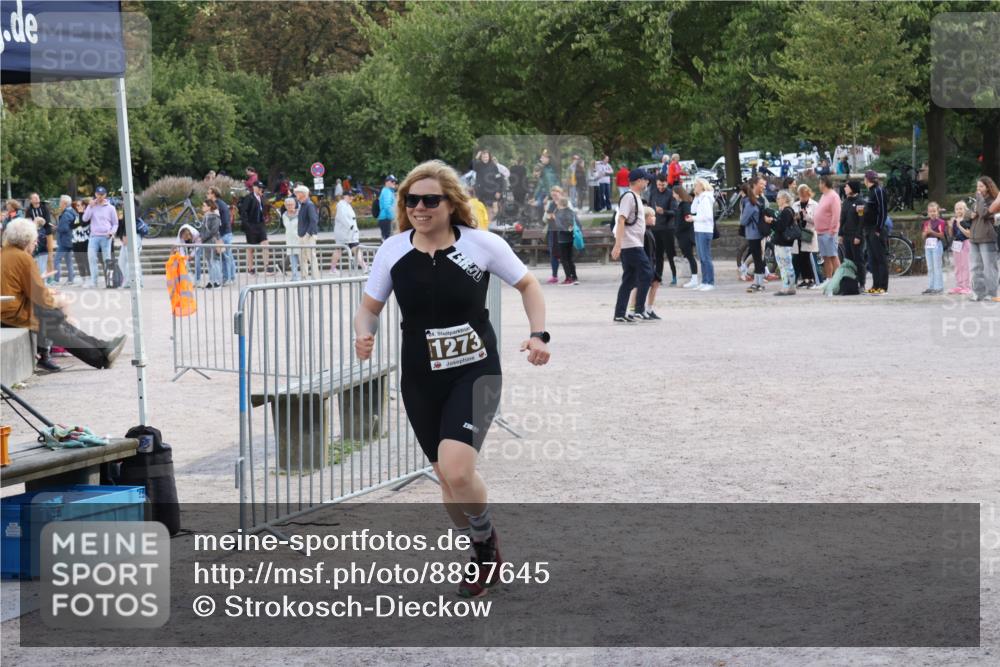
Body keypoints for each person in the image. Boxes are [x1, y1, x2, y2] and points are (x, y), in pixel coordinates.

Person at [354, 159, 549, 599]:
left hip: (476, 371)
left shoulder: (481, 244)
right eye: (412, 200)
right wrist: (363, 334)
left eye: (430, 200)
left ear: (450, 203)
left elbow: (529, 285)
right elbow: (369, 308)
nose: (420, 207)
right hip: (421, 380)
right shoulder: (394, 250)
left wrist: (538, 334)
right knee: (446, 479)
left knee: (460, 471)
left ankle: (485, 546)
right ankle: (480, 542)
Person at [1, 218, 126, 372]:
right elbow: (39, 295)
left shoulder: (6, 254)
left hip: (10, 310)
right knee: (55, 322)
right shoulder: (22, 258)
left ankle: (103, 348)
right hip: (12, 314)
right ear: (26, 240)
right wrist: (56, 300)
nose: (36, 244)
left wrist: (49, 297)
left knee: (56, 320)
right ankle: (100, 357)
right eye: (34, 240)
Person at [612, 169, 655, 322]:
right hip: (630, 244)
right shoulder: (629, 197)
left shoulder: (636, 197)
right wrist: (618, 245)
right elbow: (621, 220)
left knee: (630, 279)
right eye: (645, 179)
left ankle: (620, 313)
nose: (647, 182)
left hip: (634, 244)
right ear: (638, 181)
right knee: (647, 273)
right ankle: (638, 310)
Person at [969, 176, 1000, 302]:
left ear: (988, 187)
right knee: (976, 267)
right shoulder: (978, 200)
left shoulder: (993, 200)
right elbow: (968, 213)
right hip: (974, 237)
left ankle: (991, 293)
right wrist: (970, 213)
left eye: (981, 186)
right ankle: (978, 293)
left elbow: (983, 213)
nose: (978, 189)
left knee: (989, 267)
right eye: (977, 186)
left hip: (987, 237)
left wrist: (979, 200)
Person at [82, 186, 118, 288]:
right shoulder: (92, 206)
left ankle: (109, 281)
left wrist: (112, 232)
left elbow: (115, 223)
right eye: (98, 194)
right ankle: (94, 281)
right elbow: (85, 219)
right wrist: (90, 207)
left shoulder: (111, 208)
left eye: (102, 195)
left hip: (106, 237)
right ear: (95, 194)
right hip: (94, 237)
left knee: (107, 259)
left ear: (105, 195)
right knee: (92, 258)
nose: (100, 197)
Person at [740, 178, 771, 293]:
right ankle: (759, 283)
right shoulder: (759, 200)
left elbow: (743, 221)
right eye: (762, 184)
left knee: (757, 258)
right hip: (759, 233)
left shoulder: (749, 202)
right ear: (754, 185)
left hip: (753, 233)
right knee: (758, 258)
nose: (763, 186)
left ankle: (758, 283)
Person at [861, 170, 889, 294]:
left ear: (867, 179)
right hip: (868, 229)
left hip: (876, 229)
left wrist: (879, 228)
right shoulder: (870, 192)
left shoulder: (879, 191)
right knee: (872, 259)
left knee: (880, 258)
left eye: (865, 178)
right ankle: (876, 285)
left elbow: (882, 211)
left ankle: (883, 286)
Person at [650, 175, 677, 287]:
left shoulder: (671, 194)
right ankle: (658, 277)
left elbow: (675, 211)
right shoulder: (653, 193)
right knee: (657, 255)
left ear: (666, 183)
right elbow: (650, 207)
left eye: (663, 184)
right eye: (659, 185)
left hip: (667, 228)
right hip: (655, 228)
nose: (661, 187)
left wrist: (664, 211)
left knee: (671, 254)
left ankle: (675, 276)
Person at [791, 184, 820, 288]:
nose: (802, 198)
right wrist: (796, 217)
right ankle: (805, 279)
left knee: (808, 257)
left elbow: (816, 221)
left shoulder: (815, 205)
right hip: (798, 234)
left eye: (804, 196)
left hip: (808, 233)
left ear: (809, 194)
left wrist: (806, 216)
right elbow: (791, 218)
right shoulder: (795, 205)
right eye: (801, 196)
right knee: (799, 257)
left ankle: (812, 279)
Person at [839, 180, 866, 291]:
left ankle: (862, 283)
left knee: (858, 260)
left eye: (847, 187)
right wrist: (840, 234)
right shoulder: (845, 202)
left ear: (853, 188)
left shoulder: (860, 202)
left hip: (856, 236)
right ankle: (851, 284)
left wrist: (858, 236)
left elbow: (861, 220)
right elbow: (843, 219)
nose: (845, 188)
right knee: (848, 260)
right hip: (846, 235)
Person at [239, 179, 270, 275]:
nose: (261, 189)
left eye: (262, 188)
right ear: (254, 188)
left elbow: (264, 209)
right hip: (251, 224)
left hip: (260, 224)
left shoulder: (262, 197)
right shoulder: (249, 197)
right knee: (251, 248)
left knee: (265, 244)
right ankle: (250, 269)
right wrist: (247, 225)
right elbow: (243, 212)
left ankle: (266, 267)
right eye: (259, 187)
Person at [814, 176, 842, 281]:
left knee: (833, 256)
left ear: (824, 183)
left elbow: (836, 215)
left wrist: (833, 230)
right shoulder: (823, 196)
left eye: (820, 183)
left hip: (829, 232)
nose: (819, 185)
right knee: (825, 257)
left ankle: (840, 280)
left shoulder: (833, 196)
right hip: (821, 232)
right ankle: (829, 280)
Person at [771, 190, 798, 296]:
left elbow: (781, 227)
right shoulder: (786, 210)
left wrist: (772, 222)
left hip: (783, 242)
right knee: (786, 264)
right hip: (784, 242)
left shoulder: (786, 211)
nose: (777, 200)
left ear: (784, 199)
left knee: (784, 265)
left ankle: (786, 287)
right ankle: (791, 286)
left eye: (779, 198)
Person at [332, 192, 366, 273]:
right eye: (349, 196)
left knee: (356, 249)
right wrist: (351, 227)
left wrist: (354, 229)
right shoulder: (341, 205)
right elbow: (343, 217)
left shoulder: (347, 205)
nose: (352, 197)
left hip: (350, 234)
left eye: (352, 196)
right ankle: (332, 268)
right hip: (345, 233)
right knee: (339, 250)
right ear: (344, 196)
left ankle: (364, 266)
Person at [691, 178, 716, 291]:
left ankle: (710, 282)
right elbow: (693, 209)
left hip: (705, 230)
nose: (694, 187)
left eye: (696, 185)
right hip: (698, 229)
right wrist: (696, 197)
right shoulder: (700, 198)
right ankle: (704, 280)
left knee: (706, 257)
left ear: (702, 186)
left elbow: (707, 217)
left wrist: (693, 218)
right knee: (701, 257)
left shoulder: (706, 198)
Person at [206, 187, 234, 285]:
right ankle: (231, 277)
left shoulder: (218, 205)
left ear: (213, 194)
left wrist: (220, 235)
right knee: (228, 256)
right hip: (226, 233)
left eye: (208, 193)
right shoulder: (220, 203)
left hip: (224, 234)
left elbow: (223, 221)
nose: (207, 195)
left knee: (225, 257)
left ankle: (227, 278)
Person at [673, 185, 698, 288]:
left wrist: (679, 230)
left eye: (674, 193)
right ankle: (692, 277)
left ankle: (694, 278)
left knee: (690, 256)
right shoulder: (682, 204)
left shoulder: (685, 205)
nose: (673, 195)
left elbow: (688, 219)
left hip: (686, 235)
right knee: (688, 256)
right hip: (682, 235)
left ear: (678, 194)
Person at [294, 185, 321, 280]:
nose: (296, 194)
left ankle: (315, 278)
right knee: (303, 258)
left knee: (311, 257)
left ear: (303, 194)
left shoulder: (309, 204)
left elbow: (314, 220)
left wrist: (307, 234)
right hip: (302, 235)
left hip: (308, 235)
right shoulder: (303, 204)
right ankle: (304, 277)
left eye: (297, 192)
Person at [921, 201, 947, 295]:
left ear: (938, 211)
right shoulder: (926, 223)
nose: (932, 213)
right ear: (928, 212)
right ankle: (931, 286)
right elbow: (923, 236)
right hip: (928, 246)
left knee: (937, 266)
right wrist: (926, 233)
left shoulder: (941, 222)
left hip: (936, 245)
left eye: (934, 211)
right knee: (930, 267)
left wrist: (931, 231)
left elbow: (942, 235)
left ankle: (939, 287)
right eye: (930, 211)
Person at [948, 200, 972, 295]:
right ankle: (959, 285)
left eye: (961, 208)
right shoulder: (954, 220)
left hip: (965, 243)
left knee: (965, 265)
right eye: (957, 209)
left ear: (965, 210)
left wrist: (959, 225)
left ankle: (967, 286)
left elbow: (969, 234)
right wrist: (950, 226)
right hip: (956, 244)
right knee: (958, 266)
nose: (959, 211)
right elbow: (951, 234)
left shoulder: (966, 221)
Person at [554, 195, 578, 285]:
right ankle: (574, 276)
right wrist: (569, 230)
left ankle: (568, 278)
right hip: (571, 238)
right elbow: (575, 223)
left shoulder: (558, 213)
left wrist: (565, 230)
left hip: (562, 239)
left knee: (564, 259)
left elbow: (558, 225)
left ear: (560, 204)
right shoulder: (571, 211)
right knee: (570, 258)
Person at [473, 151, 503, 222]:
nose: (485, 158)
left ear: (489, 157)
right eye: (483, 157)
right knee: (482, 209)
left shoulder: (493, 166)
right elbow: (472, 166)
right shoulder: (478, 165)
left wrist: (499, 191)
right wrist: (477, 157)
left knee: (494, 209)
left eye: (486, 157)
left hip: (492, 192)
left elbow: (499, 179)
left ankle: (493, 223)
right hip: (481, 192)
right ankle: (484, 224)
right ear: (481, 158)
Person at [198, 200, 223, 288]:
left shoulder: (215, 217)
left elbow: (214, 230)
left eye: (204, 205)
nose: (202, 207)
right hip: (206, 242)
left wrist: (203, 237)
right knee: (209, 263)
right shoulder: (206, 216)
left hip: (212, 241)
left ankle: (217, 282)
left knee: (214, 262)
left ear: (209, 207)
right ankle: (211, 281)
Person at [54, 196, 77, 285]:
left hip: (65, 240)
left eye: (60, 202)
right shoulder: (73, 212)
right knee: (68, 261)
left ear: (64, 203)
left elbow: (64, 228)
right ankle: (71, 279)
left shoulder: (66, 214)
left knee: (56, 260)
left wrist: (57, 228)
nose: (59, 204)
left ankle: (56, 279)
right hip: (71, 239)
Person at [70, 199, 90, 284]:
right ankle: (83, 278)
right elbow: (71, 226)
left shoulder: (87, 215)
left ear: (85, 206)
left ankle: (89, 278)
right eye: (77, 206)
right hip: (75, 241)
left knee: (86, 260)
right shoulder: (76, 216)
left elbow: (83, 223)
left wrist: (81, 213)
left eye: (81, 205)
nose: (79, 207)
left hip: (85, 241)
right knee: (79, 261)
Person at [281, 197, 301, 281]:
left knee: (302, 259)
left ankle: (304, 275)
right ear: (285, 206)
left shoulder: (299, 213)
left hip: (299, 240)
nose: (289, 206)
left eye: (291, 204)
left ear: (295, 204)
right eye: (288, 205)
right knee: (292, 260)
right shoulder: (284, 215)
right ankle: (294, 276)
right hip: (289, 240)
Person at [376, 175, 398, 240]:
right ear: (386, 182)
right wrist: (394, 218)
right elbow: (387, 206)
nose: (394, 183)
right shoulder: (387, 192)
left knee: (387, 239)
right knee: (389, 240)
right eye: (392, 181)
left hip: (385, 218)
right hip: (387, 219)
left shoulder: (388, 191)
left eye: (395, 181)